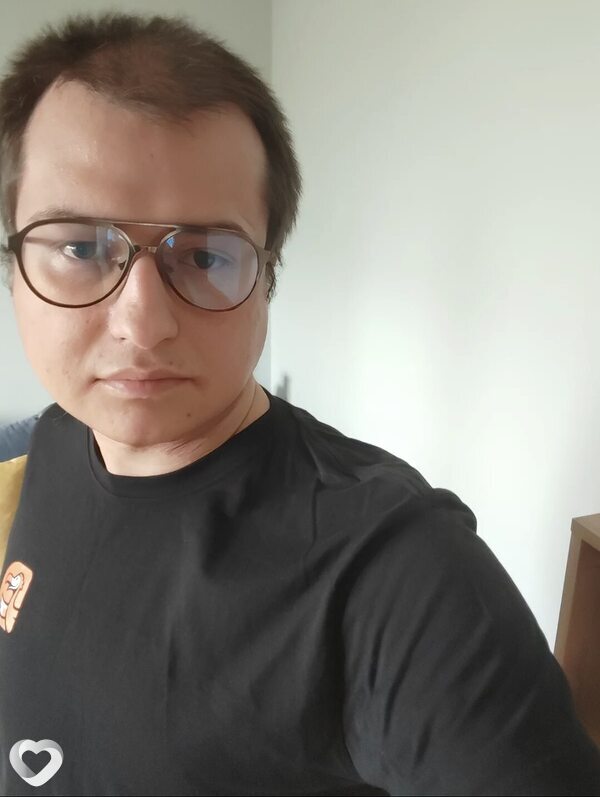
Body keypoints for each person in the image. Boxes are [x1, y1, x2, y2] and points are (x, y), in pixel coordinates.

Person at [0, 11, 598, 797]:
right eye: (80, 246)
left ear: (268, 279)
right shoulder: (54, 436)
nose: (142, 324)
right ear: (14, 261)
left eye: (204, 255)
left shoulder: (397, 569)